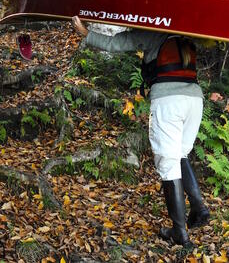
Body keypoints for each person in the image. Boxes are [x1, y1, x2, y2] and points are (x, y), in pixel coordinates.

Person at [71, 16, 210, 247]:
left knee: (168, 162)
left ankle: (180, 233)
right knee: (180, 154)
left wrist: (86, 33)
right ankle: (199, 208)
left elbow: (116, 44)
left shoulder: (153, 32)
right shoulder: (186, 34)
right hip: (194, 100)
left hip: (169, 101)